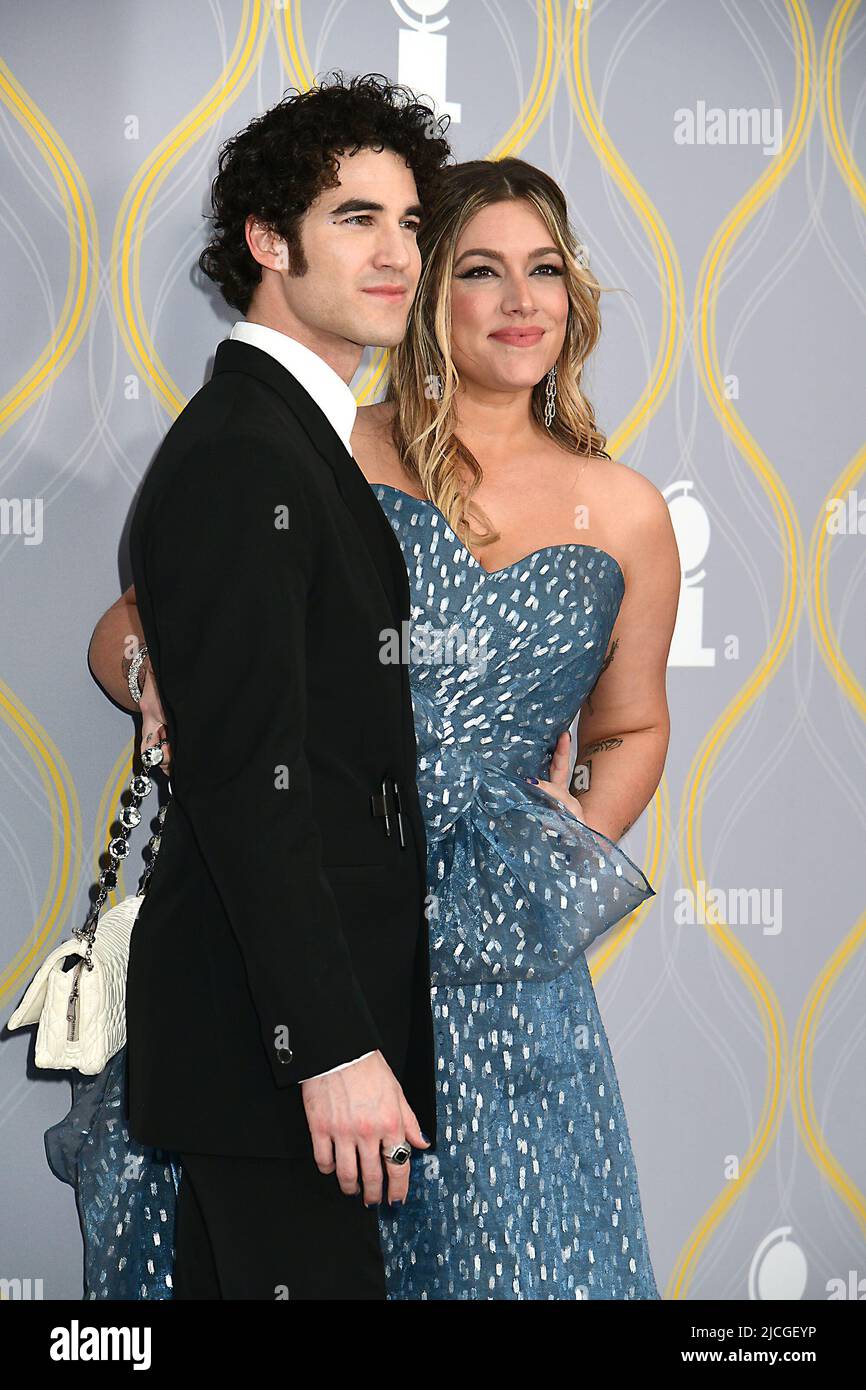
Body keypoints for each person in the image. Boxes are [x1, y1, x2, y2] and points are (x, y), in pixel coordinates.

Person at [86, 156, 679, 1299]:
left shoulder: (624, 509)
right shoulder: (325, 447)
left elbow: (635, 720)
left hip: (504, 971)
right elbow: (136, 629)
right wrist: (155, 670)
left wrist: (555, 858)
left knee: (515, 1256)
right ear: (423, 297)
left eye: (545, 272)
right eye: (481, 271)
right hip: (328, 918)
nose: (521, 303)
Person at [56, 73, 452, 1301]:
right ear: (268, 243)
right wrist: (328, 1049)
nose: (396, 254)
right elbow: (251, 781)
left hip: (283, 1029)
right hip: (275, 1039)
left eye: (408, 223)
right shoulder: (244, 453)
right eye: (353, 219)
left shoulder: (286, 438)